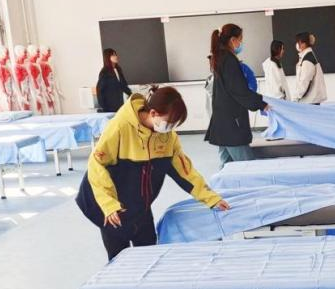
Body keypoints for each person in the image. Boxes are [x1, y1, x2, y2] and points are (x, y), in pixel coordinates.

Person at [78, 86, 229, 261]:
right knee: (120, 259)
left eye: (175, 125)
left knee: (149, 251)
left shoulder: (167, 136)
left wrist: (211, 198)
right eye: (168, 123)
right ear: (153, 113)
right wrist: (109, 205)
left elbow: (185, 171)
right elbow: (96, 165)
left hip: (140, 205)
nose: (170, 128)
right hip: (110, 205)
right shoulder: (120, 127)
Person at [206, 23, 269, 166]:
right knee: (247, 166)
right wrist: (261, 104)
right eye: (240, 40)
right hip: (231, 124)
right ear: (232, 40)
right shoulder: (229, 60)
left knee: (227, 166)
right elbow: (239, 90)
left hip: (223, 122)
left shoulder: (220, 57)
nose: (241, 44)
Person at [293, 32, 327, 104]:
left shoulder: (307, 60)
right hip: (310, 101)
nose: (297, 45)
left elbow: (304, 82)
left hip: (309, 102)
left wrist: (295, 98)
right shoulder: (307, 57)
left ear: (303, 44)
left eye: (298, 42)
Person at [95, 48, 132, 113]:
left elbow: (123, 85)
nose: (116, 57)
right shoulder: (104, 72)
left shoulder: (118, 70)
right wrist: (103, 106)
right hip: (109, 107)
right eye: (113, 55)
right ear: (108, 57)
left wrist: (131, 95)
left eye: (115, 55)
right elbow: (100, 90)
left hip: (119, 104)